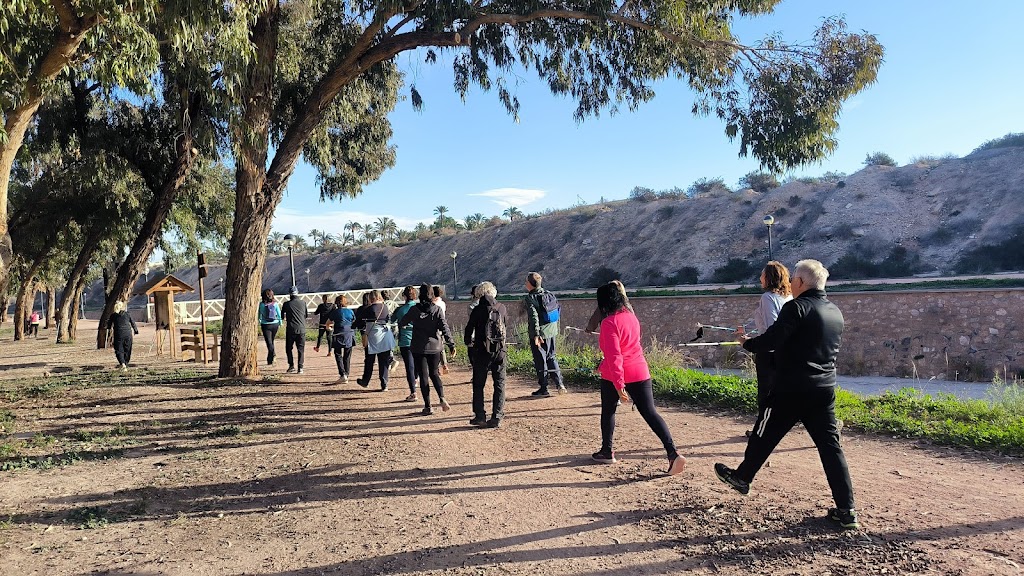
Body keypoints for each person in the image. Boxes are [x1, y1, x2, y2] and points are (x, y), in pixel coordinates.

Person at [714, 259, 859, 530]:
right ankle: (846, 509)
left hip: (791, 387)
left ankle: (742, 477)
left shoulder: (797, 307)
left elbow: (772, 339)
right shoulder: (835, 312)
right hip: (824, 389)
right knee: (830, 448)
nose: (790, 283)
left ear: (801, 282)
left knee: (763, 431)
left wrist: (747, 343)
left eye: (793, 279)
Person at [591, 282, 686, 475]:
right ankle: (672, 453)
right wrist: (602, 366)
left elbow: (615, 356)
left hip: (615, 374)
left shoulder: (609, 323)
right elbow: (628, 347)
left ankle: (607, 451)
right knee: (651, 413)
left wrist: (619, 385)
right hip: (640, 370)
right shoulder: (632, 317)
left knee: (608, 411)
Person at [743, 261, 792, 436]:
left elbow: (771, 326)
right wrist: (746, 328)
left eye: (762, 275)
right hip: (786, 352)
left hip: (768, 353)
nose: (760, 278)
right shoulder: (789, 297)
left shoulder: (767, 298)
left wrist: (749, 341)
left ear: (769, 277)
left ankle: (762, 431)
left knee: (766, 393)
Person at [398, 283, 457, 416]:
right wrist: (451, 343)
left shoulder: (414, 309)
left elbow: (403, 322)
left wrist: (406, 325)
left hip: (418, 347)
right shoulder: (437, 309)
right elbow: (444, 327)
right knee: (434, 374)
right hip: (435, 347)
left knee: (423, 376)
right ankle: (442, 398)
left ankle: (428, 406)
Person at [463, 281, 507, 428]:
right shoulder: (501, 308)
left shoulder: (477, 310)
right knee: (499, 384)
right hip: (500, 351)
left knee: (478, 385)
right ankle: (497, 416)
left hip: (482, 352)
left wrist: (469, 342)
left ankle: (480, 416)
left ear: (479, 294)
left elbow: (468, 331)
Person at [523, 272, 564, 397]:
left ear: (530, 284)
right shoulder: (549, 294)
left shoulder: (530, 298)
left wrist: (536, 334)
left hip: (539, 334)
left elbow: (534, 317)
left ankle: (544, 388)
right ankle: (559, 384)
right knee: (551, 357)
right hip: (552, 331)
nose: (525, 284)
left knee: (540, 360)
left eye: (526, 282)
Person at [353, 290, 394, 391]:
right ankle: (384, 384)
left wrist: (353, 326)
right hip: (385, 335)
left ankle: (365, 381)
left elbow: (358, 321)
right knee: (383, 361)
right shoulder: (385, 307)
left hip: (373, 337)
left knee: (369, 360)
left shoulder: (369, 309)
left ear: (371, 298)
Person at [392, 285, 420, 402]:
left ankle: (413, 392)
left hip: (405, 341)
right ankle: (417, 378)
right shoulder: (419, 308)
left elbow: (392, 320)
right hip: (419, 340)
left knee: (409, 366)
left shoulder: (400, 310)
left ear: (403, 296)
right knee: (418, 363)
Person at [327, 294, 355, 384]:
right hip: (349, 334)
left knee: (338, 354)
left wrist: (330, 328)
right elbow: (353, 321)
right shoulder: (350, 311)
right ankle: (347, 374)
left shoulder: (335, 312)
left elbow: (328, 324)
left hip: (338, 334)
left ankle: (342, 374)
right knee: (347, 355)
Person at [282, 286, 308, 374]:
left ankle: (291, 365)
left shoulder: (286, 304)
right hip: (301, 329)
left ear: (289, 294)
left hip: (291, 329)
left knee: (289, 348)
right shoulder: (303, 303)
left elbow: (282, 316)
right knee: (300, 349)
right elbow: (306, 315)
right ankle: (300, 367)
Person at [107, 301, 138, 371]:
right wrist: (136, 330)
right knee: (127, 349)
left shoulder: (113, 315)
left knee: (119, 349)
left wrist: (108, 328)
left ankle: (123, 363)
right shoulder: (127, 314)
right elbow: (133, 322)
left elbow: (109, 325)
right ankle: (125, 363)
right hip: (128, 333)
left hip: (118, 334)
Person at [259, 289, 283, 365]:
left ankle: (273, 355)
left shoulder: (261, 304)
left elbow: (259, 315)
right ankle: (269, 360)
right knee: (271, 341)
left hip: (265, 324)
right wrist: (280, 322)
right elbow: (279, 313)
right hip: (275, 324)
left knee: (269, 342)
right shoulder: (275, 304)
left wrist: (259, 321)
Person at [432, 285, 450, 374]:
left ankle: (437, 367)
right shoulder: (443, 303)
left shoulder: (433, 304)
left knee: (434, 348)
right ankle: (445, 365)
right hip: (442, 326)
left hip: (433, 327)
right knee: (441, 347)